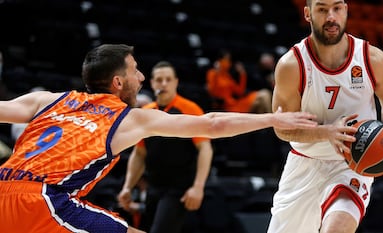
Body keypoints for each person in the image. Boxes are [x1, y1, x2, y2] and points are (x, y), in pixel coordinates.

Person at [0, 44, 318, 233]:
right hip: (44, 199)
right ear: (117, 81)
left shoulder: (47, 100)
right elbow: (213, 124)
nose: (141, 78)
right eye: (136, 71)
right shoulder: (128, 117)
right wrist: (274, 119)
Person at [267, 1, 383, 233]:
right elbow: (281, 128)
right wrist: (326, 133)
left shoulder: (372, 58)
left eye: (337, 8)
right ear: (307, 13)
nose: (331, 16)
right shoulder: (292, 65)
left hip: (352, 163)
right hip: (305, 163)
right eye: (322, 9)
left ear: (346, 10)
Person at [118, 61, 213, 233]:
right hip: (152, 187)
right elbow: (139, 153)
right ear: (152, 83)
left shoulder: (189, 109)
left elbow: (205, 149)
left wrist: (198, 187)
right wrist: (127, 187)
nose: (164, 83)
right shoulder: (146, 112)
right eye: (159, 79)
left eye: (168, 79)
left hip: (179, 189)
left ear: (176, 82)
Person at [206, 49, 272, 113]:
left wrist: (242, 74)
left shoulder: (227, 76)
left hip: (235, 103)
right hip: (226, 107)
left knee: (264, 96)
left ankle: (270, 121)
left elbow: (240, 92)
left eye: (228, 60)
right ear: (219, 60)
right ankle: (273, 120)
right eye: (226, 59)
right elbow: (212, 91)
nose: (228, 63)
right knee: (263, 96)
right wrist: (216, 74)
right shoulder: (212, 73)